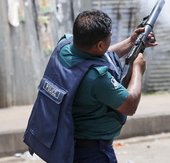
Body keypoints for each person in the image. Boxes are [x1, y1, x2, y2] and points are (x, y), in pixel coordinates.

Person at [24, 10, 157, 163]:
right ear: (100, 45)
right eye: (110, 37)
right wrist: (137, 69)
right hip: (93, 153)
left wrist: (131, 42)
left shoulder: (65, 46)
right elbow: (130, 104)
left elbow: (102, 55)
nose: (110, 41)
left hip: (68, 147)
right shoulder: (96, 78)